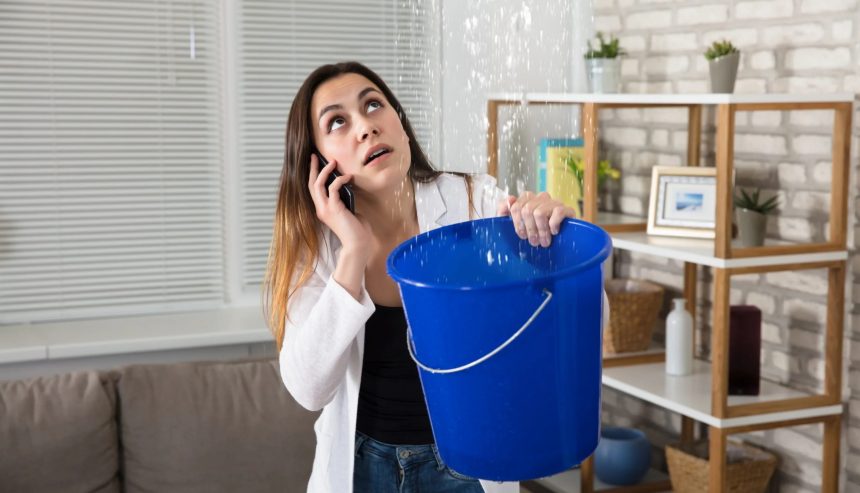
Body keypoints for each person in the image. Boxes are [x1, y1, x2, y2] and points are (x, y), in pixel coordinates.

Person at [264, 61, 578, 493]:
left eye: (373, 106)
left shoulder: (476, 201)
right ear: (319, 163)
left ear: (401, 125)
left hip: (468, 464)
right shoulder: (317, 246)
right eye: (338, 121)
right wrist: (353, 252)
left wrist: (558, 245)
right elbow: (308, 390)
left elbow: (574, 326)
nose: (365, 127)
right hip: (361, 467)